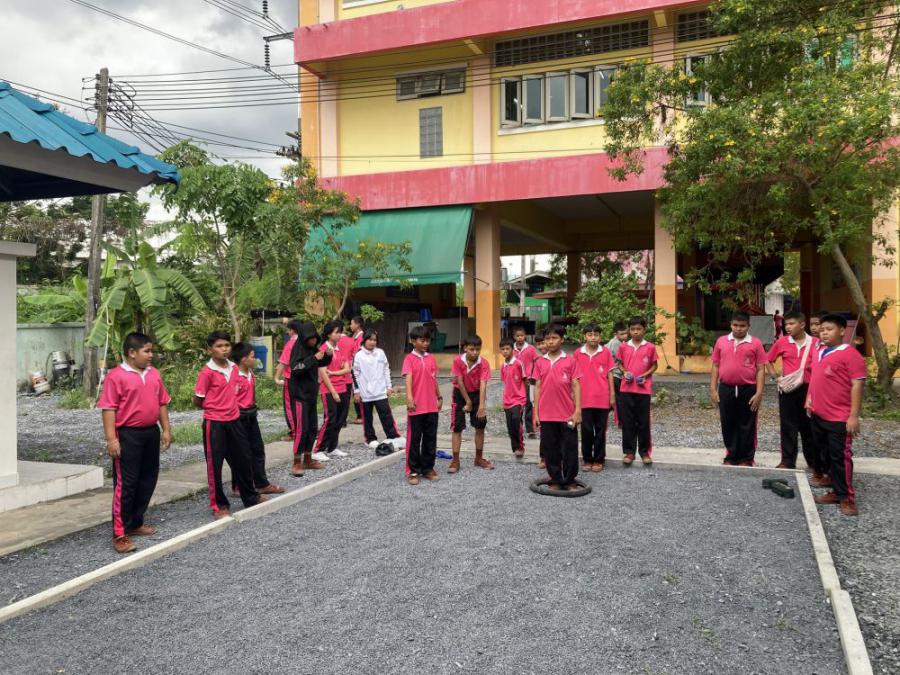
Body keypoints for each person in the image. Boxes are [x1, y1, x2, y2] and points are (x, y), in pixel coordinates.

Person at [98, 332, 172, 554]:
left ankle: (135, 522)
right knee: (126, 484)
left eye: (151, 351)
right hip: (128, 435)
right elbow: (108, 409)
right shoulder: (116, 377)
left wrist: (166, 429)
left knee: (148, 478)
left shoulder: (154, 374)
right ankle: (120, 533)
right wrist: (111, 439)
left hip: (150, 433)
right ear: (132, 352)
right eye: (146, 351)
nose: (151, 355)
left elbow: (162, 403)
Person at [194, 331, 267, 519]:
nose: (224, 349)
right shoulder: (207, 372)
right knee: (215, 465)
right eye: (219, 346)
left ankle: (250, 496)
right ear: (210, 349)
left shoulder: (234, 368)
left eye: (226, 345)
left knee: (243, 459)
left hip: (235, 420)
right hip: (215, 423)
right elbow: (198, 399)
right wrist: (216, 407)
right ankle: (219, 504)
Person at [807, 314, 865, 516]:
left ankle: (846, 497)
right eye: (822, 329)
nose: (824, 333)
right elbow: (816, 378)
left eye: (829, 329)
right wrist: (809, 399)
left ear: (842, 331)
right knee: (824, 454)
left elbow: (857, 385)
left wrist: (853, 416)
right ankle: (834, 486)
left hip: (839, 417)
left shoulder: (850, 354)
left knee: (840, 457)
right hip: (818, 413)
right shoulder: (820, 351)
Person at [710, 312, 766, 466]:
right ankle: (731, 455)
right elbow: (715, 365)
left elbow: (761, 369)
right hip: (726, 388)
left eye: (742, 326)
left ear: (748, 326)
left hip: (748, 389)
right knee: (727, 422)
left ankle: (746, 458)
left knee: (747, 423)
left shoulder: (756, 343)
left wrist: (759, 392)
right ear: (730, 325)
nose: (738, 328)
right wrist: (713, 389)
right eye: (735, 325)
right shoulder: (721, 341)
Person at [229, 342, 284, 497]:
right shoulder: (233, 376)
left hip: (251, 415)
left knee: (258, 450)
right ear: (243, 359)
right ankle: (238, 486)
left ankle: (261, 483)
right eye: (252, 356)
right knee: (240, 453)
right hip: (238, 417)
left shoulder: (250, 373)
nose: (255, 359)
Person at [766, 312, 819, 471]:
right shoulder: (782, 341)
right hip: (788, 388)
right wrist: (775, 377)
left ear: (802, 324)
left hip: (809, 388)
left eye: (791, 324)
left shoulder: (815, 342)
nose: (787, 327)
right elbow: (768, 359)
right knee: (788, 426)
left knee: (809, 426)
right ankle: (787, 461)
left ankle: (813, 462)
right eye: (786, 324)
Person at [533, 323, 582, 490]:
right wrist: (536, 413)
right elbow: (537, 386)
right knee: (550, 448)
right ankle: (555, 479)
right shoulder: (540, 362)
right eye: (547, 338)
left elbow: (576, 385)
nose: (550, 341)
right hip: (546, 414)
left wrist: (578, 410)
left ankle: (569, 480)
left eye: (554, 338)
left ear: (562, 339)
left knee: (569, 448)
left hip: (567, 414)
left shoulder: (570, 360)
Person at [287, 322, 332, 476]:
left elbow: (320, 361)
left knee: (312, 427)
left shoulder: (312, 348)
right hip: (299, 396)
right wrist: (313, 358)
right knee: (302, 429)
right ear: (305, 338)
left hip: (311, 394)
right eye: (311, 338)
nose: (313, 341)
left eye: (315, 338)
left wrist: (328, 356)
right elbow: (295, 368)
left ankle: (308, 458)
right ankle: (296, 462)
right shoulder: (298, 348)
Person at [402, 325, 443, 485]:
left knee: (430, 438)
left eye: (427, 340)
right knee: (415, 439)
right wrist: (409, 398)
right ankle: (413, 470)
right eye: (422, 340)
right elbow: (408, 379)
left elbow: (434, 379)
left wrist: (439, 396)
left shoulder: (431, 358)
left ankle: (428, 468)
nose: (426, 343)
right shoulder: (409, 359)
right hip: (417, 405)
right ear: (413, 341)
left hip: (431, 405)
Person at [616, 317, 658, 465]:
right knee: (627, 421)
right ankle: (629, 452)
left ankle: (644, 452)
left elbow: (655, 365)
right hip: (626, 389)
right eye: (633, 329)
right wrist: (625, 372)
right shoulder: (623, 347)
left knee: (643, 422)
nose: (635, 332)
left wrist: (645, 375)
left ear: (644, 330)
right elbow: (619, 364)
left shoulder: (650, 347)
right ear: (629, 330)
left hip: (643, 390)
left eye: (638, 329)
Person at [449, 335, 494, 472]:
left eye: (477, 349)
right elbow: (460, 382)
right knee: (457, 428)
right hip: (459, 395)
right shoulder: (458, 361)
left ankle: (478, 458)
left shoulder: (484, 363)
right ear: (465, 348)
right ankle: (455, 461)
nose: (475, 352)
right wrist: (467, 402)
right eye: (471, 349)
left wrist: (481, 406)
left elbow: (483, 384)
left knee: (480, 426)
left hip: (476, 394)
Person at [574, 323, 615, 472]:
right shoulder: (578, 353)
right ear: (585, 336)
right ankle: (587, 459)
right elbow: (574, 377)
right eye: (590, 335)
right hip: (584, 399)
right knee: (585, 431)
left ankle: (598, 459)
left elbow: (610, 374)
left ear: (600, 336)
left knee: (600, 431)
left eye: (596, 335)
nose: (593, 337)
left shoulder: (605, 352)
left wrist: (612, 394)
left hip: (602, 398)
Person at [353, 329, 400, 444]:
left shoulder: (380, 353)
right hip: (365, 393)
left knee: (386, 415)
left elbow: (386, 369)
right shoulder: (358, 355)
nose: (372, 342)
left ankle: (392, 436)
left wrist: (389, 386)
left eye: (374, 340)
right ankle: (370, 439)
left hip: (380, 391)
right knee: (367, 417)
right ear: (364, 340)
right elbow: (354, 374)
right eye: (370, 339)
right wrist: (356, 391)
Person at [313, 320, 352, 461]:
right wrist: (333, 392)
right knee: (330, 419)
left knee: (340, 419)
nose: (339, 334)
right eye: (336, 332)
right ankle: (318, 449)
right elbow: (323, 373)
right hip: (329, 389)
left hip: (343, 386)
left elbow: (347, 368)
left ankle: (332, 447)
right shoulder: (324, 349)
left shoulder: (339, 349)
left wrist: (335, 372)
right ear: (329, 334)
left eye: (340, 332)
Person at [499, 338, 528, 458]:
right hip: (507, 400)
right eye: (503, 349)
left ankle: (520, 446)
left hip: (518, 400)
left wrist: (524, 397)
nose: (505, 351)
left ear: (512, 349)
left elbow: (525, 380)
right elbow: (505, 382)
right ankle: (515, 447)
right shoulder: (503, 366)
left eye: (507, 349)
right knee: (510, 426)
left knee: (516, 421)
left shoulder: (518, 363)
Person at [274, 320, 300, 441]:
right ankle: (303, 430)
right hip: (304, 380)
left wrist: (276, 378)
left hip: (291, 379)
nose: (288, 332)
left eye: (289, 330)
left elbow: (283, 363)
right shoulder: (305, 343)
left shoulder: (290, 344)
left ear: (292, 330)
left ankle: (294, 432)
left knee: (290, 406)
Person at [512, 325, 539, 439]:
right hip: (515, 381)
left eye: (522, 335)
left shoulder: (531, 349)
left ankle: (530, 429)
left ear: (525, 336)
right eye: (517, 336)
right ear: (514, 337)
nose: (520, 338)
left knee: (528, 404)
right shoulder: (511, 349)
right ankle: (518, 429)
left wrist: (533, 376)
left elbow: (536, 361)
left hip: (528, 380)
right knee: (517, 405)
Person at [605, 321, 629, 428]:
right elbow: (621, 359)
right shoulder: (616, 344)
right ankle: (621, 422)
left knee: (614, 398)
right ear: (616, 334)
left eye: (626, 333)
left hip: (614, 374)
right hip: (616, 374)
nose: (625, 336)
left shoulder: (613, 342)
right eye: (622, 334)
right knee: (619, 399)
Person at [347, 316, 365, 425]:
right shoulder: (355, 336)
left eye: (352, 323)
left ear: (357, 325)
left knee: (357, 390)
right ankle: (360, 415)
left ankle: (361, 415)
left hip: (357, 367)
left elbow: (357, 353)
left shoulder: (361, 337)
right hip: (352, 366)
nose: (350, 326)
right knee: (355, 390)